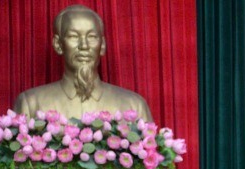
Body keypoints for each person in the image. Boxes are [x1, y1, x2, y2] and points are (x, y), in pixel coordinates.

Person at [13, 5, 152, 121]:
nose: (84, 45)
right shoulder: (31, 103)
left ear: (102, 45)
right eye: (73, 36)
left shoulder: (134, 106)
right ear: (58, 44)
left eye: (92, 37)